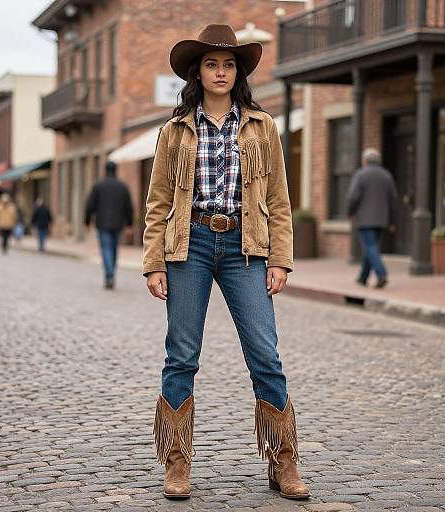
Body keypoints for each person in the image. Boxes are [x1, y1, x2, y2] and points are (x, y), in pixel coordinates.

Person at [143, 24, 309, 501]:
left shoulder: (262, 126)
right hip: (189, 244)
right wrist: (154, 262)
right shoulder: (174, 131)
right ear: (199, 72)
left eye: (229, 64)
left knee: (265, 353)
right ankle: (177, 461)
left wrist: (280, 257)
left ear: (238, 73)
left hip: (246, 247)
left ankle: (284, 461)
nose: (220, 72)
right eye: (212, 64)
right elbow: (157, 201)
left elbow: (279, 198)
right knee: (181, 355)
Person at [346, 148, 398, 288]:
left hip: (364, 219)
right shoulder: (387, 176)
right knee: (371, 247)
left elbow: (352, 197)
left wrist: (350, 212)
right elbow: (393, 200)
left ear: (365, 161)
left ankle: (382, 274)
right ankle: (363, 277)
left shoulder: (361, 174)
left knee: (370, 247)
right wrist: (392, 221)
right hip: (381, 219)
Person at [84, 161, 134, 289]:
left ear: (105, 170)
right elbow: (129, 207)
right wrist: (129, 224)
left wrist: (87, 221)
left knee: (106, 249)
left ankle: (109, 275)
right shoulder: (122, 187)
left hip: (102, 223)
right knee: (113, 249)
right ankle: (111, 274)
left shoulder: (98, 185)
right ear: (116, 170)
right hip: (118, 224)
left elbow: (90, 205)